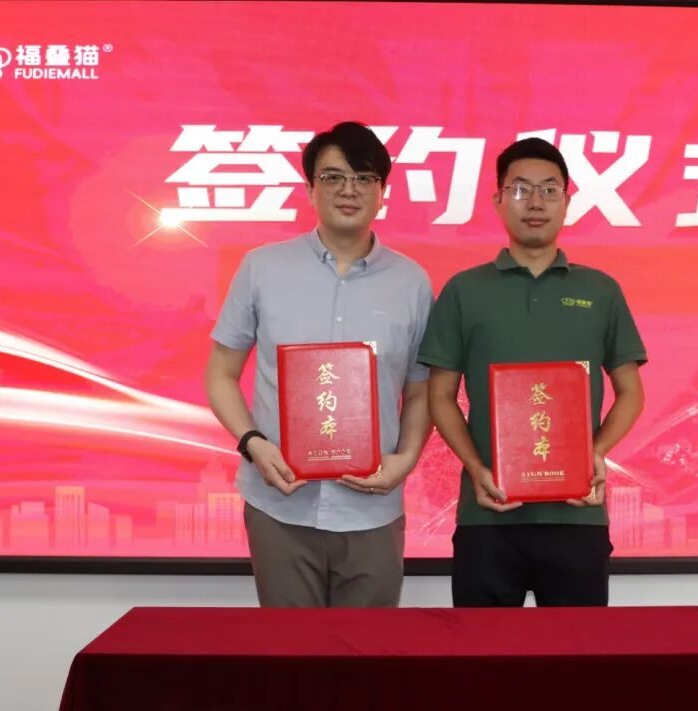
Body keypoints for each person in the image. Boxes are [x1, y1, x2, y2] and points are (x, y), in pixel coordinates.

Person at [205, 121, 433, 607]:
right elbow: (220, 373)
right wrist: (252, 443)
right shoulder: (262, 268)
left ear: (382, 192)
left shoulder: (412, 282)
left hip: (372, 509)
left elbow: (420, 388)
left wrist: (407, 458)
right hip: (279, 506)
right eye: (333, 177)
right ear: (310, 188)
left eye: (364, 178)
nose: (349, 190)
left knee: (368, 650)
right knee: (290, 650)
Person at [418, 137, 646, 607]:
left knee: (576, 651)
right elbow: (440, 395)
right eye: (521, 189)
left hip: (577, 516)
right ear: (498, 200)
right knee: (482, 651)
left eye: (549, 189)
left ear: (567, 201)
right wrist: (476, 468)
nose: (536, 202)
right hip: (488, 515)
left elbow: (631, 391)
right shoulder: (464, 290)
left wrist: (595, 454)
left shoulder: (601, 291)